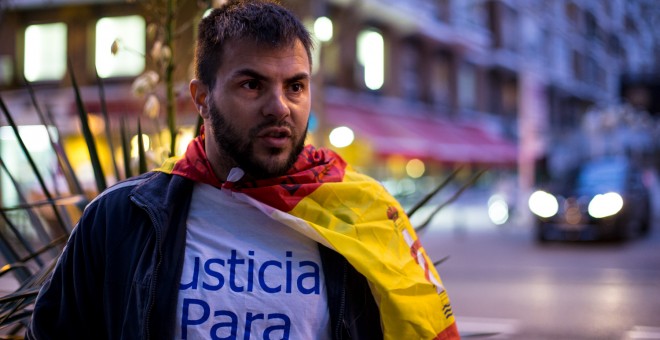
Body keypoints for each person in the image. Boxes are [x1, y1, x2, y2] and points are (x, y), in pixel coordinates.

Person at [26, 1, 459, 339]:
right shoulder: (121, 219)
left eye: (295, 86)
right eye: (251, 84)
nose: (279, 107)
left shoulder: (363, 216)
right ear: (201, 98)